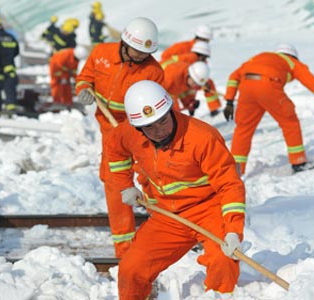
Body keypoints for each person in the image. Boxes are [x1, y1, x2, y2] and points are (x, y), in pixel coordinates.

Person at [104, 80, 246, 299]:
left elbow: (230, 185)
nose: (159, 130)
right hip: (167, 215)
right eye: (150, 126)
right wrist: (125, 185)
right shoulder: (129, 133)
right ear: (139, 128)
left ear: (171, 110)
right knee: (131, 269)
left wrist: (233, 230)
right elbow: (113, 147)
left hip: (209, 210)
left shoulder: (202, 138)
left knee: (223, 260)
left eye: (162, 121)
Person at [75, 17, 164, 258]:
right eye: (136, 51)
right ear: (124, 43)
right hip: (110, 130)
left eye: (145, 53)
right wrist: (83, 88)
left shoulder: (153, 71)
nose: (140, 57)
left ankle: (168, 228)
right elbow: (86, 77)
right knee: (115, 183)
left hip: (139, 131)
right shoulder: (101, 53)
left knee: (151, 176)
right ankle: (124, 248)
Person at [223, 43, 314, 174]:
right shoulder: (291, 62)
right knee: (290, 123)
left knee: (243, 129)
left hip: (246, 89)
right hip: (268, 86)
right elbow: (313, 83)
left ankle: (235, 170)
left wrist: (229, 101)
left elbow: (233, 77)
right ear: (293, 56)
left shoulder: (258, 57)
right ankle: (298, 162)